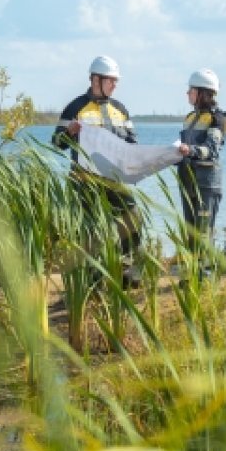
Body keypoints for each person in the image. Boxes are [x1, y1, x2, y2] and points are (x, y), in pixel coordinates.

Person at [52, 55, 144, 287]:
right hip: (85, 181)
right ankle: (93, 279)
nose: (115, 85)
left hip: (116, 178)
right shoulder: (75, 107)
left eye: (116, 81)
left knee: (131, 217)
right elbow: (56, 143)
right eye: (111, 80)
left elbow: (133, 143)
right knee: (90, 230)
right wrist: (69, 132)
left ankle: (127, 274)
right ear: (95, 79)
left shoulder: (120, 109)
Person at [176, 68, 226, 282]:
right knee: (190, 229)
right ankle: (190, 275)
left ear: (203, 93)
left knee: (204, 230)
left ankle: (205, 277)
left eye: (191, 90)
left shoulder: (218, 119)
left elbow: (212, 150)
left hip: (207, 182)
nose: (188, 93)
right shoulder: (189, 118)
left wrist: (192, 151)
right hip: (187, 179)